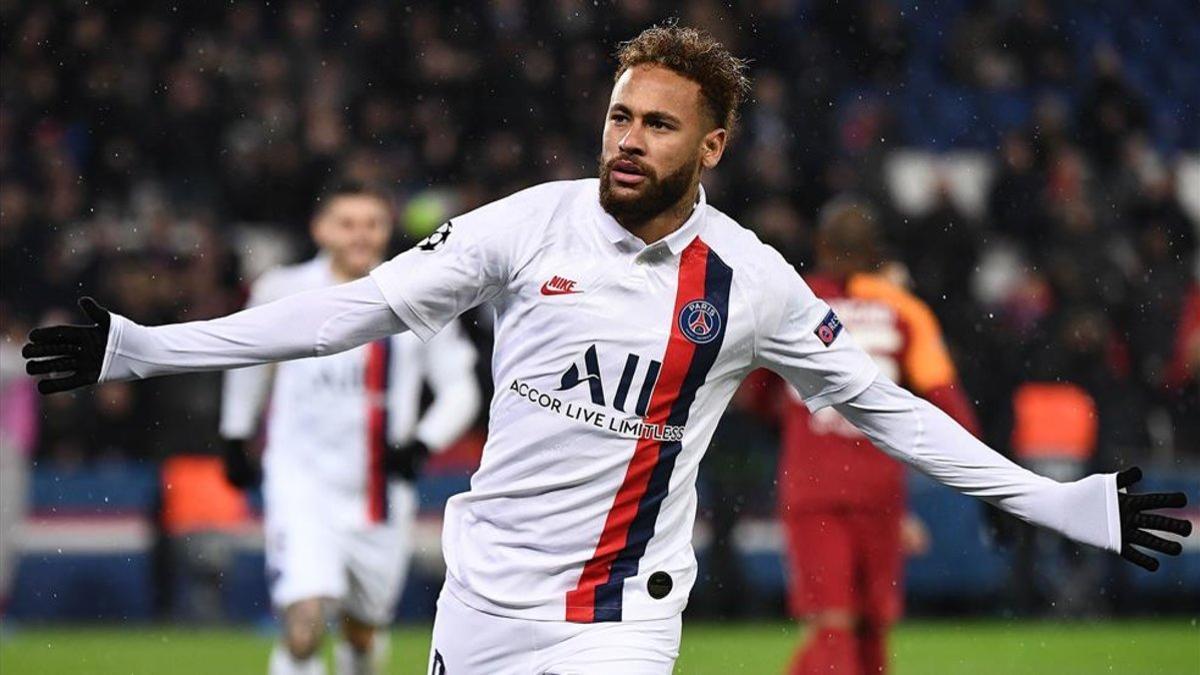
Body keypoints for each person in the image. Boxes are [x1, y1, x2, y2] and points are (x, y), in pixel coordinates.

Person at [22, 25, 1191, 675]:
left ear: (714, 144)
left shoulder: (752, 283)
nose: (627, 142)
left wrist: (1063, 506)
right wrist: (137, 349)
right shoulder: (524, 224)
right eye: (620, 116)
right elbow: (345, 310)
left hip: (619, 620)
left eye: (658, 125)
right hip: (479, 602)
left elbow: (890, 408)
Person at [218, 181, 481, 675]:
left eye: (372, 223)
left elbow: (461, 387)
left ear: (388, 229)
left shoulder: (420, 291)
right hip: (301, 484)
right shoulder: (282, 289)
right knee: (304, 626)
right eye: (347, 223)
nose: (360, 235)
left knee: (362, 633)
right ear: (321, 229)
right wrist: (235, 434)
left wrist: (423, 444)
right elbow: (246, 360)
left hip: (378, 495)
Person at [768, 199, 978, 674]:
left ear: (820, 245)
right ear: (878, 252)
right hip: (878, 487)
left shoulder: (790, 303)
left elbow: (754, 391)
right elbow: (951, 407)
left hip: (812, 484)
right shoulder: (904, 312)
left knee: (832, 625)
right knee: (872, 628)